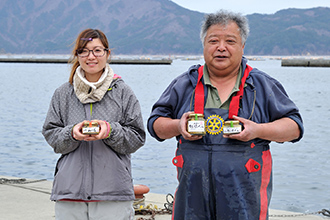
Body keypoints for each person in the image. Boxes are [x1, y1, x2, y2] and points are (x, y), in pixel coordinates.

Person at [147, 10, 303, 220]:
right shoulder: (184, 84)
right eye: (213, 41)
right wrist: (178, 126)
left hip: (244, 200)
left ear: (242, 46)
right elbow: (155, 124)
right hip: (191, 199)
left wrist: (258, 130)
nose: (221, 47)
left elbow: (294, 127)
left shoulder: (261, 85)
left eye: (230, 41)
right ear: (204, 45)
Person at [42, 29, 145, 220]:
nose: (91, 56)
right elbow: (51, 135)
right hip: (70, 192)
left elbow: (137, 138)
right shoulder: (63, 93)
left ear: (107, 53)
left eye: (97, 50)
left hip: (113, 193)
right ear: (77, 55)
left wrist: (110, 131)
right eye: (84, 51)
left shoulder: (123, 92)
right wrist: (72, 133)